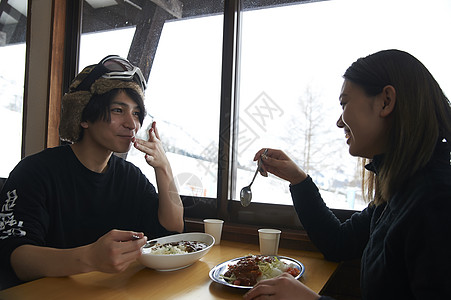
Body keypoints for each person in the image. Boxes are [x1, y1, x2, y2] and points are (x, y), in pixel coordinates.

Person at [244, 49, 451, 300]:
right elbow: (337, 242)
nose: (339, 122)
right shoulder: (398, 194)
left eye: (344, 103)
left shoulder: (436, 201)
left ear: (386, 101)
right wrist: (298, 180)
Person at [0, 55, 184, 289]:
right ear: (84, 117)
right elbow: (17, 258)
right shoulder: (35, 171)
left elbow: (173, 227)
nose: (132, 124)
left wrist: (163, 167)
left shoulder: (130, 177)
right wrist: (90, 258)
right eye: (119, 110)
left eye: (137, 113)